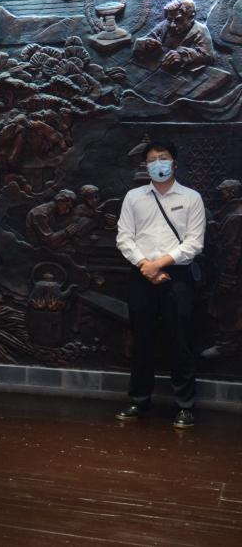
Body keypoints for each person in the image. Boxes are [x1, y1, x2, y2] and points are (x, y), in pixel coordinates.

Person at [115, 139, 205, 429]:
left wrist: (160, 264)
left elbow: (194, 243)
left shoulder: (191, 198)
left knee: (181, 341)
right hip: (141, 275)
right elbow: (124, 237)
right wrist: (146, 266)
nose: (158, 164)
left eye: (163, 158)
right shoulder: (134, 197)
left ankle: (184, 406)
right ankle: (139, 400)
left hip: (177, 277)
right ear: (146, 165)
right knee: (141, 340)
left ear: (174, 163)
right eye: (152, 160)